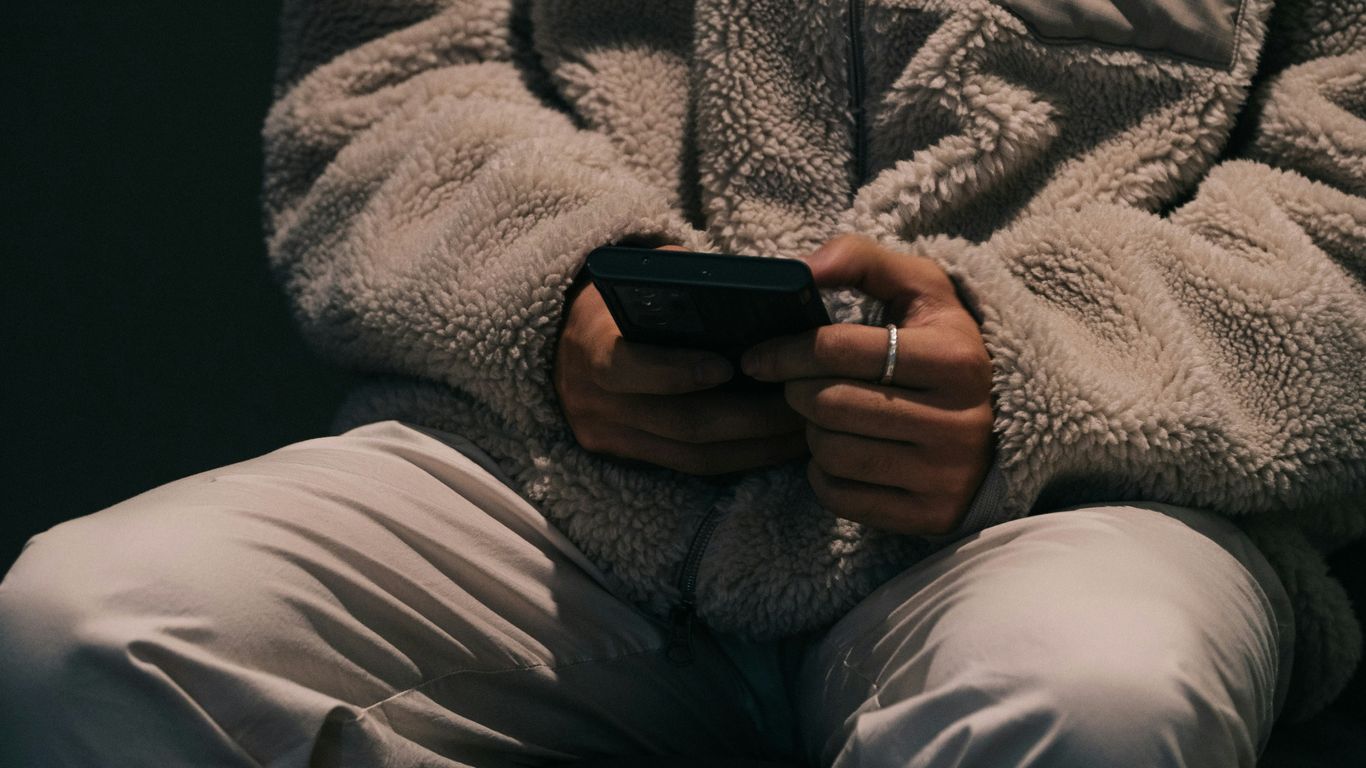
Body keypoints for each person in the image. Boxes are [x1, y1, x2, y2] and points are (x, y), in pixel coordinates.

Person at [2, 0, 1362, 765]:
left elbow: (1346, 186)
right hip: (550, 486)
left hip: (1074, 495)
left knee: (1093, 691)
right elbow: (381, 74)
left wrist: (1039, 364)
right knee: (88, 629)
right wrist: (553, 295)